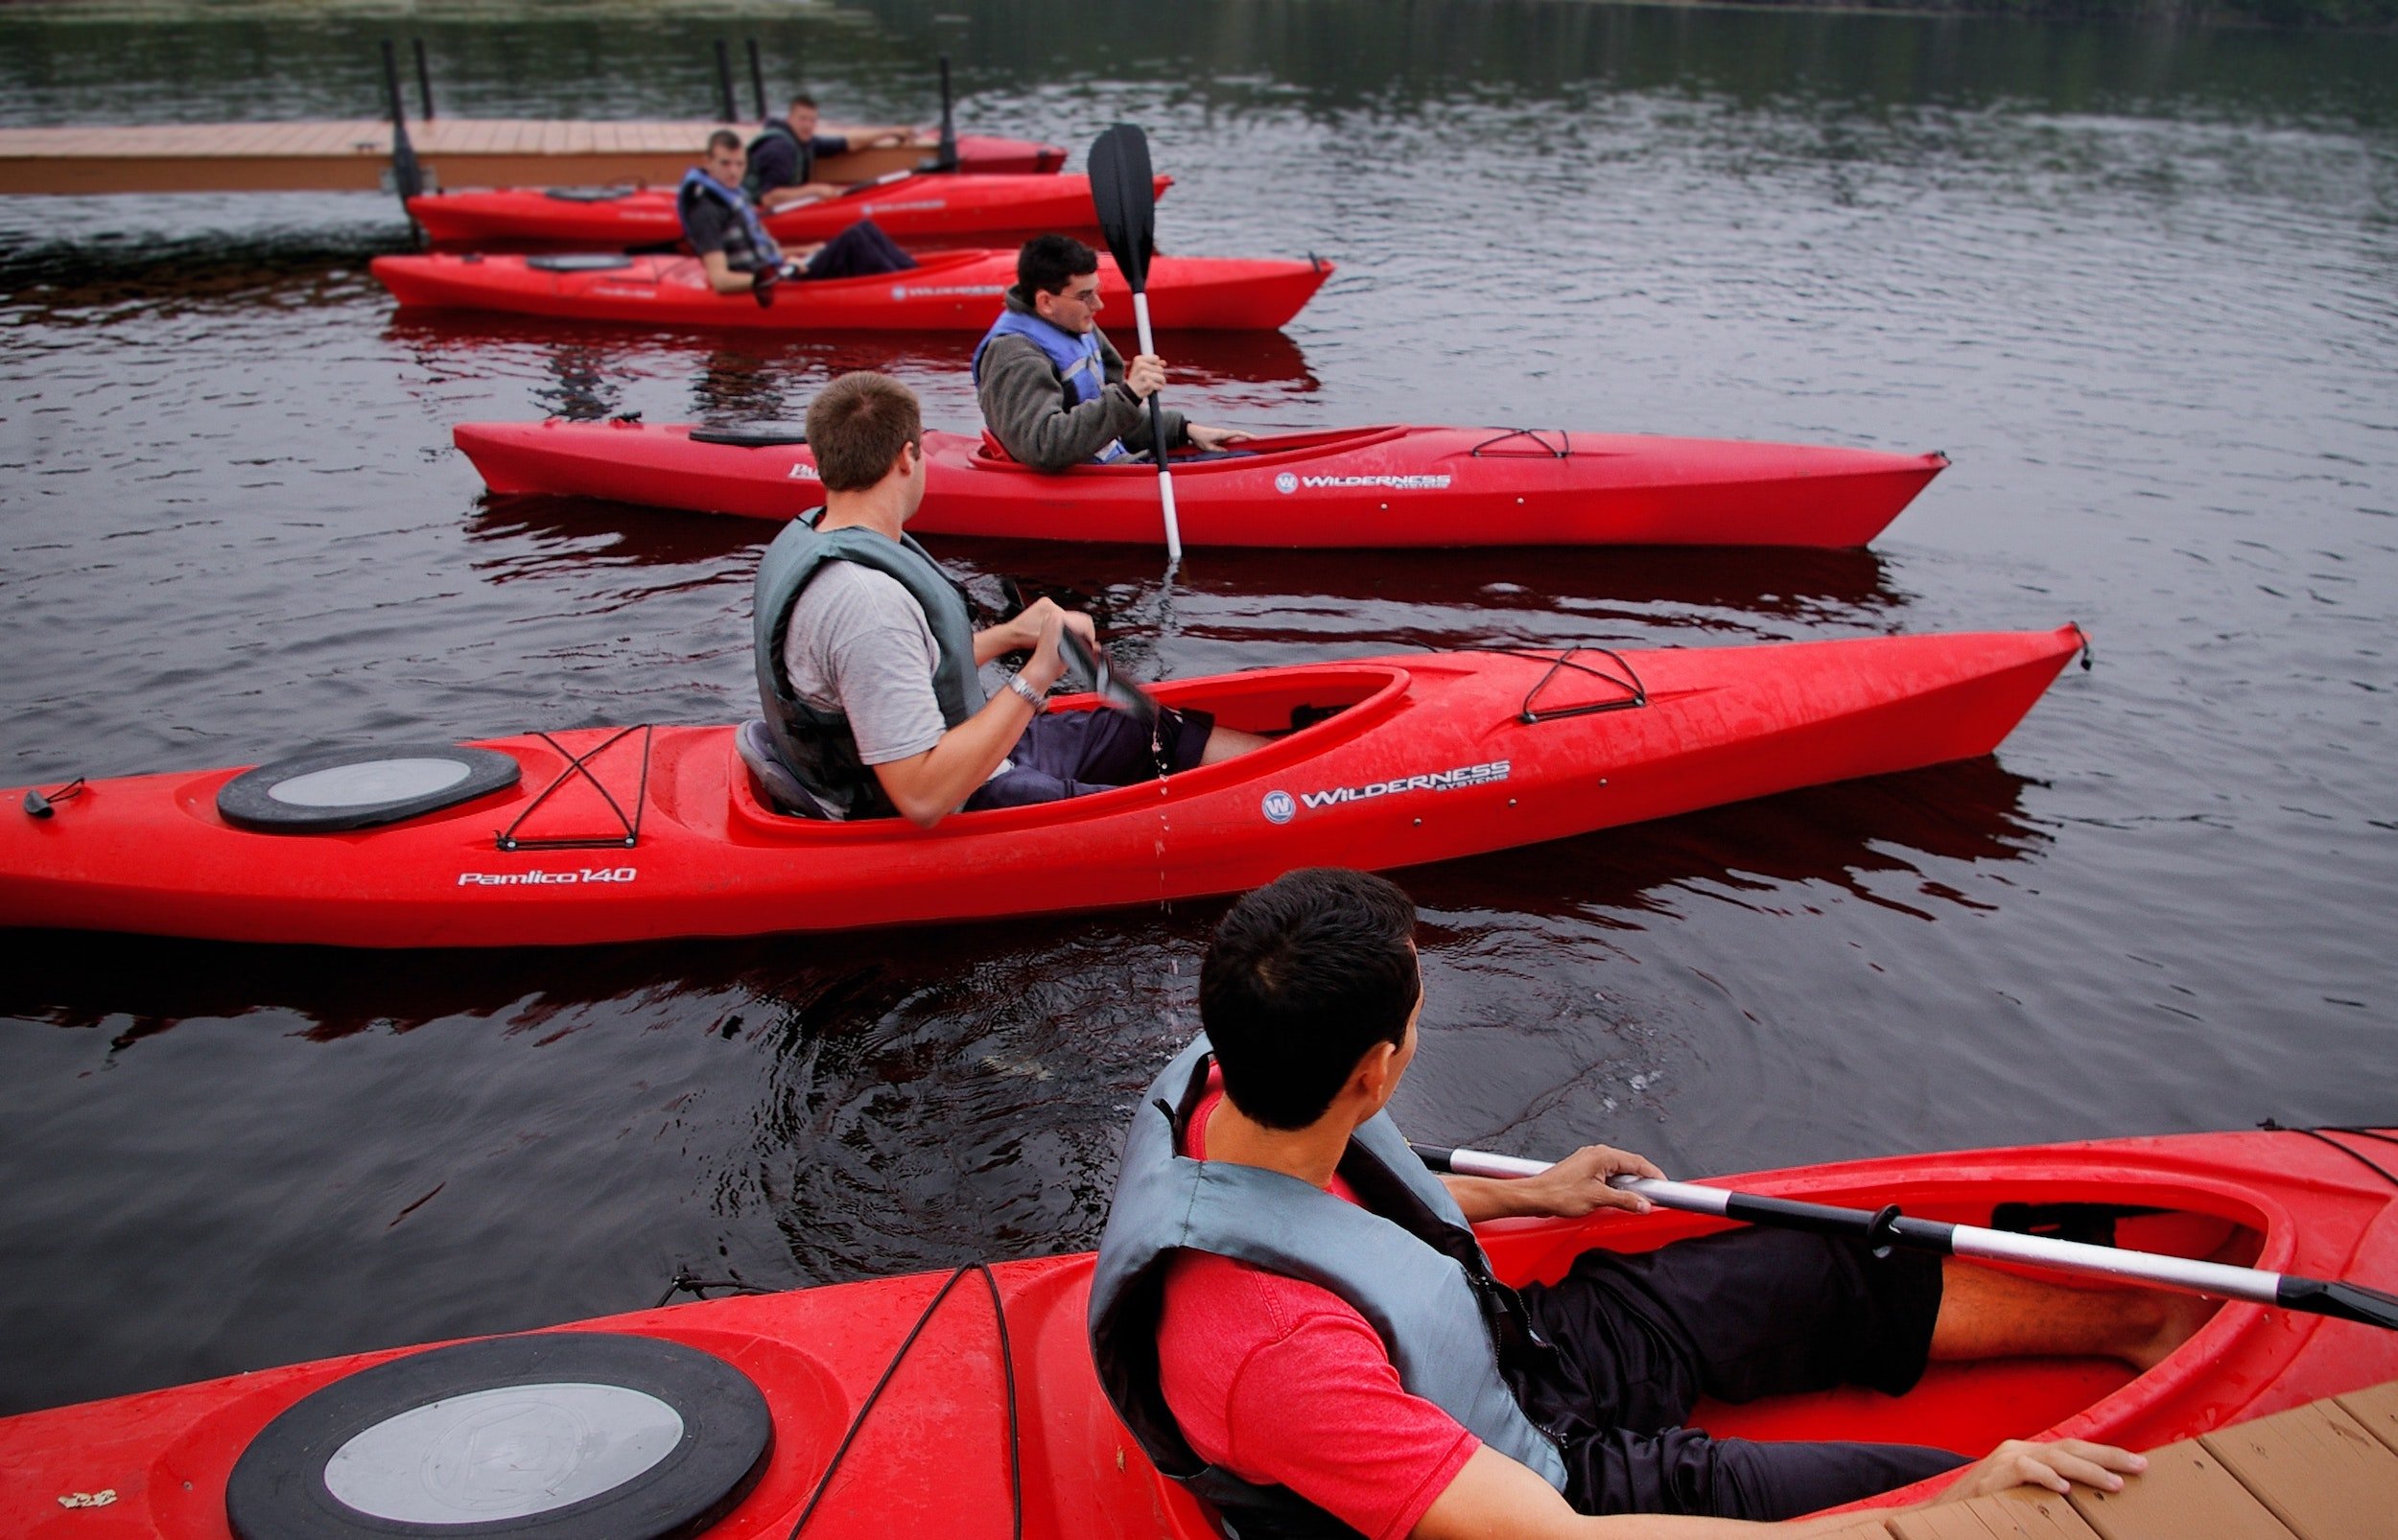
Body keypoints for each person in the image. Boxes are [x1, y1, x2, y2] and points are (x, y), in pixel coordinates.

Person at [1090, 868, 2203, 1540]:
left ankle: (2144, 1325)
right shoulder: (1275, 1357)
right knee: (1936, 1498)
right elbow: (1555, 1534)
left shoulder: (1238, 1064)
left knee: (1820, 1267)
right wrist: (1974, 1492)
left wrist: (1536, 1195)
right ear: (1374, 1071)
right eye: (1422, 1011)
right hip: (1542, 1478)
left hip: (1518, 1356)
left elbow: (1353, 1211)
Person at [747, 372, 1272, 826]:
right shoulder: (865, 603)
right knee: (1154, 809)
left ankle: (1288, 774)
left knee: (1150, 730)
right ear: (908, 457)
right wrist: (1038, 673)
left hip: (967, 748)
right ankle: (1287, 805)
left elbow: (892, 671)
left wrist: (1009, 635)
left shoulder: (822, 536)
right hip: (956, 796)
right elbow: (922, 798)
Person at [973, 233, 1251, 471]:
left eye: (1097, 291)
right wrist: (1128, 395)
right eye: (1085, 296)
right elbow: (1042, 447)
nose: (1098, 305)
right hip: (1086, 483)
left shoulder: (1076, 326)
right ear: (1045, 302)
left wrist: (1182, 430)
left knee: (1247, 457)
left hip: (1115, 466)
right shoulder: (1015, 356)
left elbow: (1114, 421)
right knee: (1245, 465)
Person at [678, 129, 916, 305]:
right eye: (725, 163)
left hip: (781, 272)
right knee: (855, 241)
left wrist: (802, 249)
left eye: (739, 164)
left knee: (865, 230)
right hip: (773, 284)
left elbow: (759, 252)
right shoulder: (706, 210)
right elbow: (720, 280)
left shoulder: (733, 196)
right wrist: (777, 276)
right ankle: (912, 292)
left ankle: (915, 276)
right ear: (708, 162)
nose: (733, 171)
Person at [746, 93, 913, 210]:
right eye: (802, 119)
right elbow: (768, 198)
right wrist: (815, 190)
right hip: (759, 212)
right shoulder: (780, 149)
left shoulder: (805, 142)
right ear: (789, 119)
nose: (807, 125)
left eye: (812, 120)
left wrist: (889, 132)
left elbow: (848, 143)